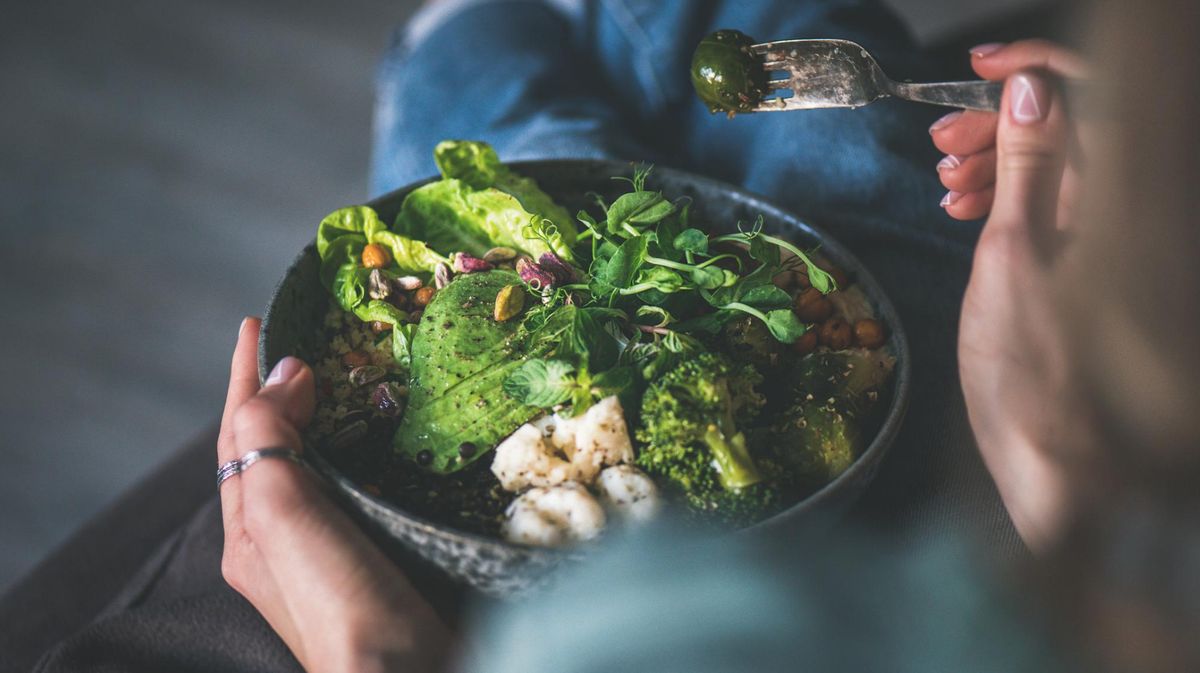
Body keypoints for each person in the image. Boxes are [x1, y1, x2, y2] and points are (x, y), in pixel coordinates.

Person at [33, 0, 1200, 671]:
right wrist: (1044, 459)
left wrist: (378, 658)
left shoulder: (655, 622)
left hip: (840, 485)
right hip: (931, 407)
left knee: (517, 94)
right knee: (814, 103)